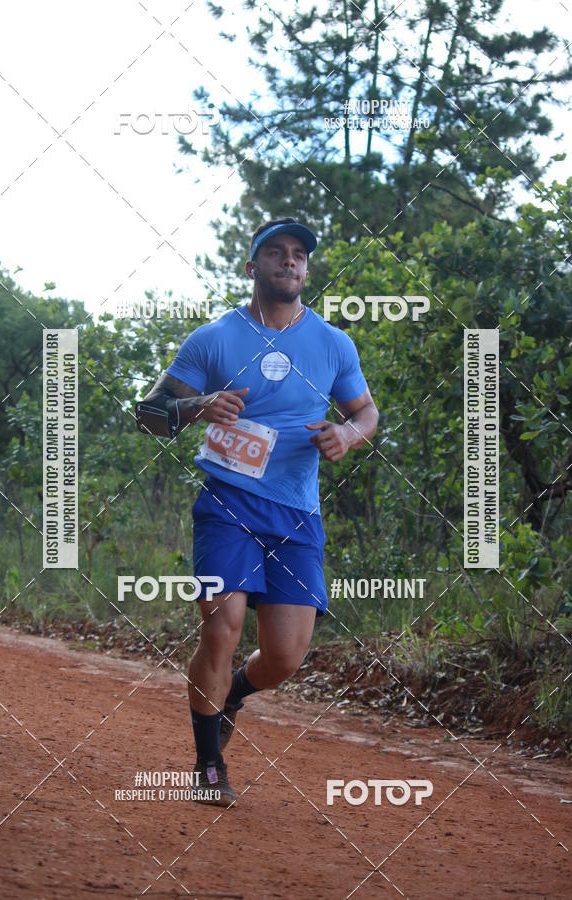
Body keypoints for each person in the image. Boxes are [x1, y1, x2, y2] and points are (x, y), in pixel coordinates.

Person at [135, 217, 379, 806]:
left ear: (306, 270)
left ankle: (235, 694)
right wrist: (198, 404)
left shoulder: (332, 344)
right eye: (276, 253)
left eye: (298, 255)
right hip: (226, 503)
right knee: (222, 628)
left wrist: (348, 436)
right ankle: (208, 765)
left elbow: (367, 413)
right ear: (252, 267)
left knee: (286, 656)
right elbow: (149, 412)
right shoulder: (215, 338)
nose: (289, 262)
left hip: (296, 513)